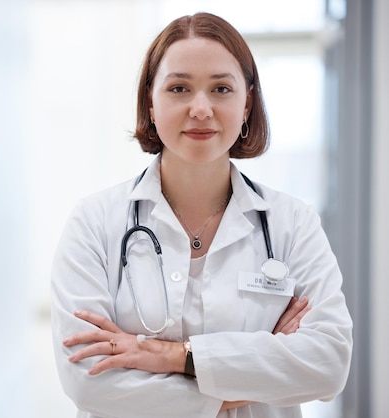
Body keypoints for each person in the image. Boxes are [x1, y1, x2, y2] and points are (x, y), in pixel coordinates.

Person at [50, 12, 353, 418]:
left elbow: (328, 364)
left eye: (221, 89)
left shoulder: (292, 223)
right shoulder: (94, 222)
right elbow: (89, 380)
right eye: (179, 88)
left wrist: (174, 356)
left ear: (246, 104)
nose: (201, 108)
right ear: (151, 103)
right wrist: (254, 376)